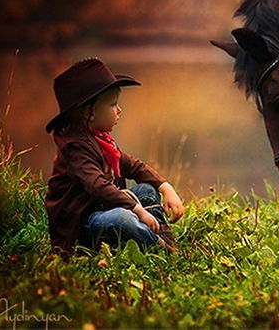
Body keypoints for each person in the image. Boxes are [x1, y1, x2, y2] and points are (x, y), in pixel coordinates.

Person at [44, 57, 185, 256]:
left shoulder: (99, 139)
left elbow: (132, 165)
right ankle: (158, 247)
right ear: (89, 113)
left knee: (146, 190)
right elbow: (98, 186)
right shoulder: (74, 148)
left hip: (105, 209)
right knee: (122, 219)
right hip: (83, 228)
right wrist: (138, 210)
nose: (119, 110)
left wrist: (165, 187)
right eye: (112, 104)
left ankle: (163, 239)